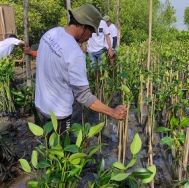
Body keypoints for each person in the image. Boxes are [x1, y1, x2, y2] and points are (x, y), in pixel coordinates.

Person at [24, 4, 127, 133]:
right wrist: (112, 112)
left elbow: (44, 56)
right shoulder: (75, 53)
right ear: (84, 27)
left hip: (40, 105)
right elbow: (83, 96)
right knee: (62, 149)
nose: (91, 37)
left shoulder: (51, 33)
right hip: (59, 115)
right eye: (92, 32)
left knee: (48, 145)